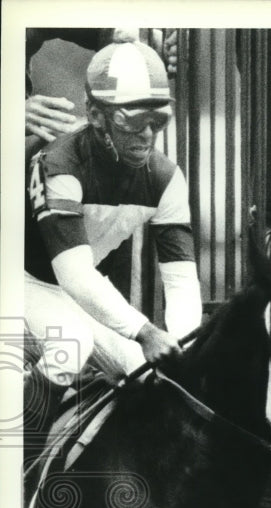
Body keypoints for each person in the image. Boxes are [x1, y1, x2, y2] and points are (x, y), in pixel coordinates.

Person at [24, 40, 202, 437]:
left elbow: (180, 279)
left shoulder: (166, 177)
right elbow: (74, 275)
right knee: (68, 346)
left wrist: (179, 344)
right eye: (132, 121)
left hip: (77, 288)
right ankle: (15, 468)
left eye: (158, 121)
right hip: (20, 280)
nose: (147, 135)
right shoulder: (60, 163)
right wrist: (145, 331)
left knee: (151, 375)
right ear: (96, 115)